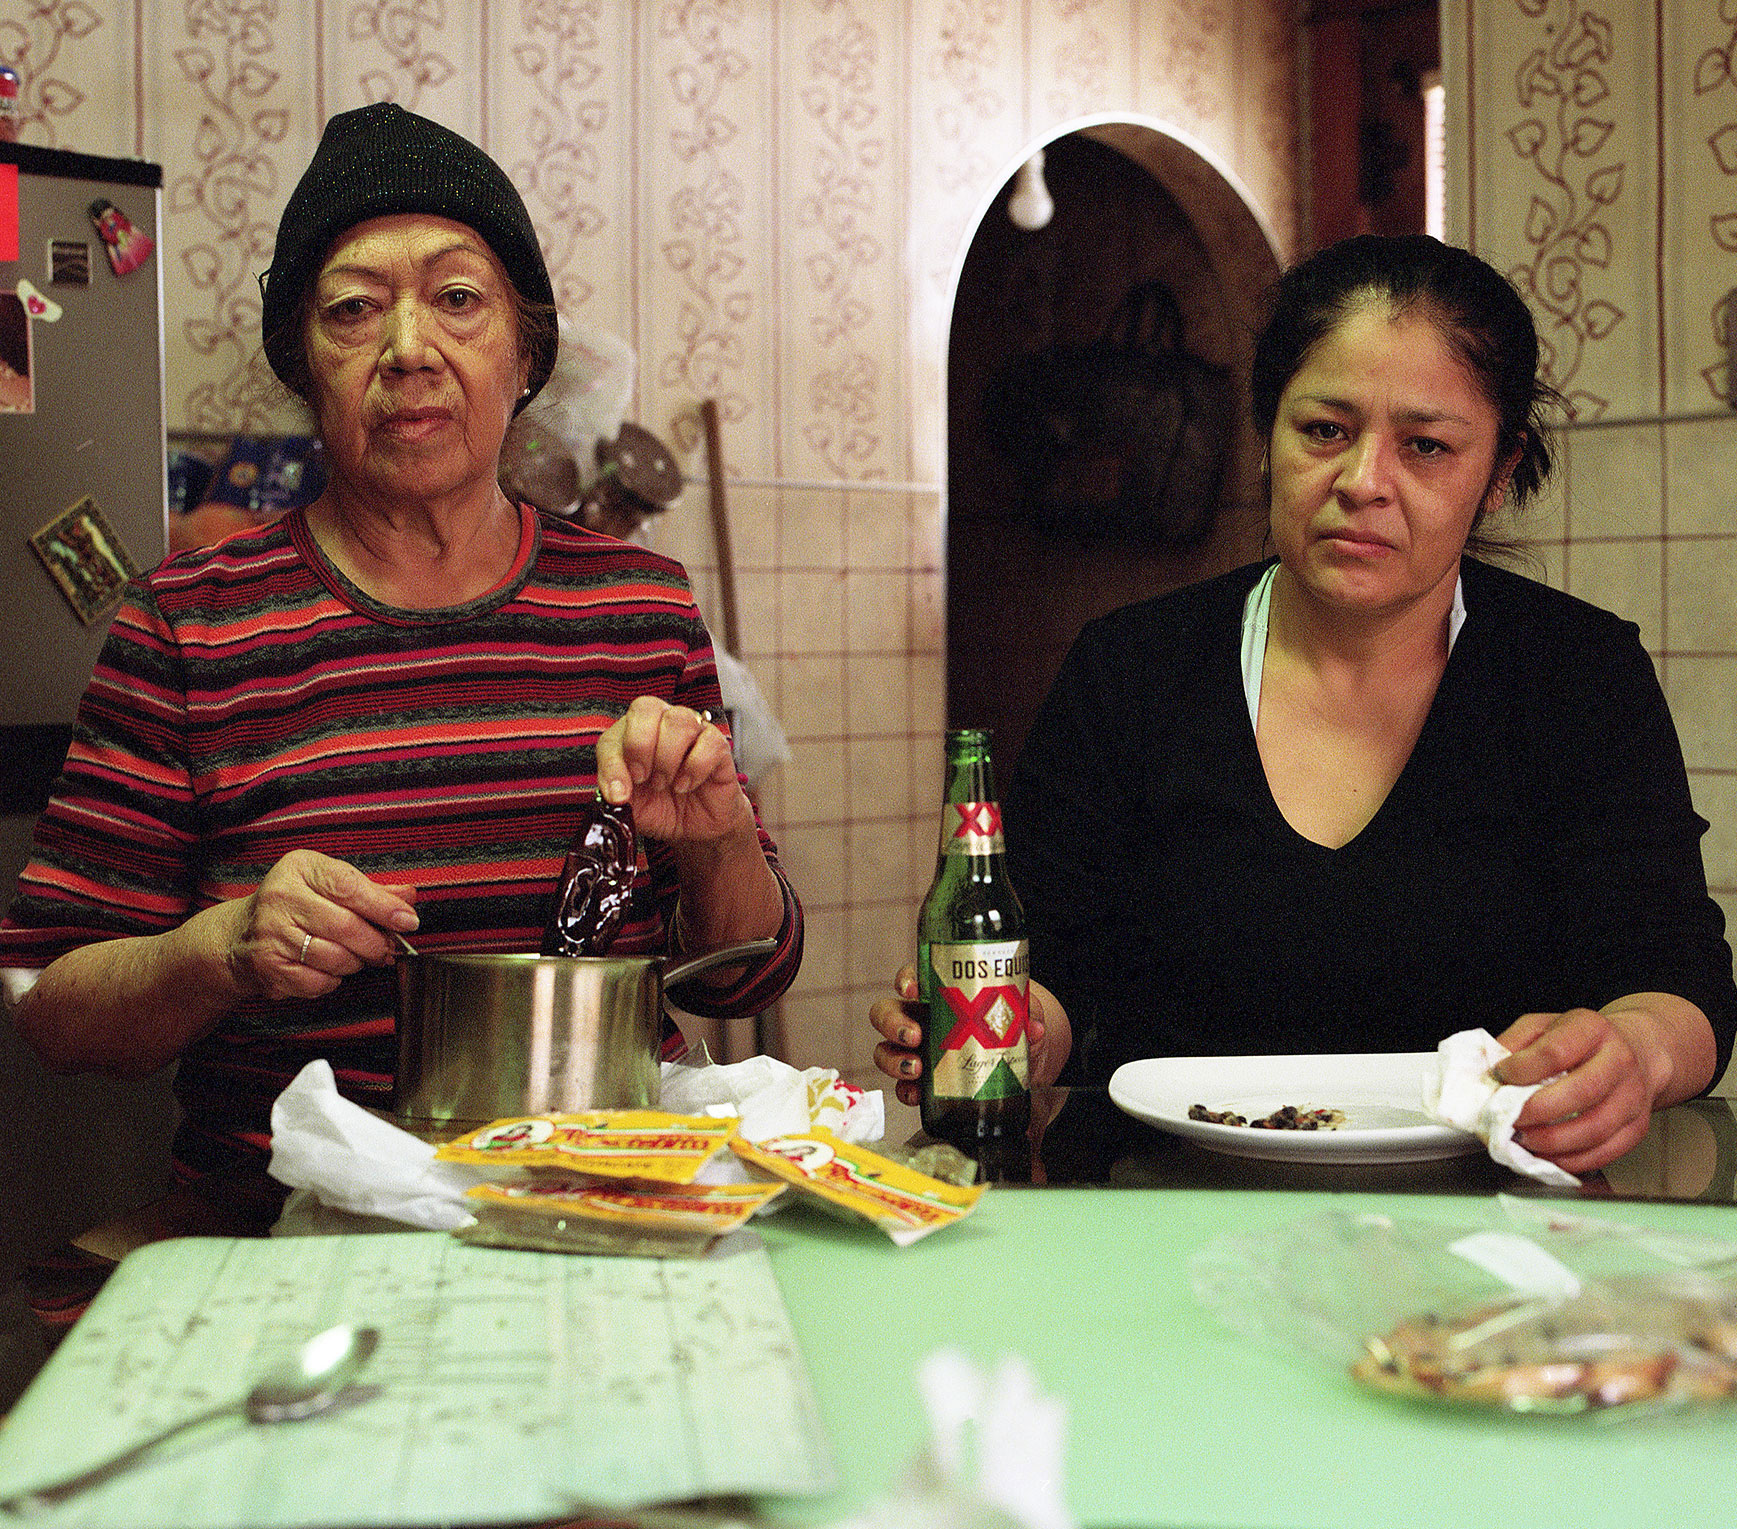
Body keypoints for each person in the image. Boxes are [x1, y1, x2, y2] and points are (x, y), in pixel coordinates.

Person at [1, 102, 801, 1222]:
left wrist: (717, 834)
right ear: (304, 364)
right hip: (294, 1235)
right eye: (354, 311)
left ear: (526, 353)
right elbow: (50, 1003)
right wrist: (225, 946)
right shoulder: (191, 625)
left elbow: (750, 971)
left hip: (605, 1216)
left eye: (459, 299)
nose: (410, 348)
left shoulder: (636, 606)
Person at [873, 233, 1736, 1176]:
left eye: (1426, 447)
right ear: (1268, 433)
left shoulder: (1576, 673)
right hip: (1155, 1216)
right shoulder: (1131, 669)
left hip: (1493, 1232)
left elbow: (1679, 982)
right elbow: (1052, 970)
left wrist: (1633, 1054)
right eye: (1324, 429)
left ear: (1497, 472)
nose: (1362, 481)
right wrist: (1009, 1027)